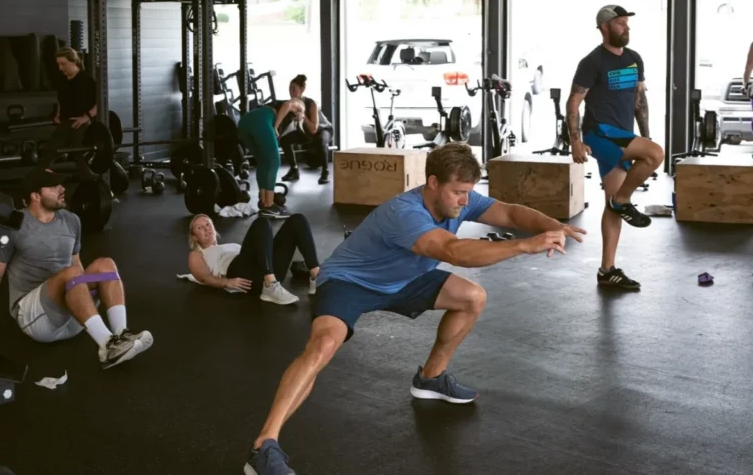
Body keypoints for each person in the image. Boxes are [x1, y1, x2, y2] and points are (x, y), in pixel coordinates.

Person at [243, 143, 587, 475]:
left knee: (472, 297)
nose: (465, 200)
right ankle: (264, 445)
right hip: (352, 281)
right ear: (432, 183)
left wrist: (550, 225)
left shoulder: (461, 198)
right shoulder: (404, 213)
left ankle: (431, 378)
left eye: (469, 191)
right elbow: (453, 252)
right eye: (458, 192)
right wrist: (524, 245)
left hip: (405, 279)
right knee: (323, 346)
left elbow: (510, 211)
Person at [0, 168, 153, 369]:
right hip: (35, 320)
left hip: (71, 317)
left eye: (60, 184)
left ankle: (120, 335)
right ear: (35, 196)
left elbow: (76, 265)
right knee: (72, 273)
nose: (62, 188)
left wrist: (84, 296)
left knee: (105, 264)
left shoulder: (72, 220)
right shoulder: (13, 226)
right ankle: (106, 346)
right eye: (53, 186)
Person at [566, 5, 665, 291]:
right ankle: (623, 201)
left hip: (624, 134)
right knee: (655, 154)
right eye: (620, 24)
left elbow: (639, 101)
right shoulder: (592, 61)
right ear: (605, 27)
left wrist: (645, 135)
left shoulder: (634, 59)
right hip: (601, 134)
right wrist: (575, 140)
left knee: (613, 204)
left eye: (627, 23)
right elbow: (574, 102)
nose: (626, 27)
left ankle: (607, 270)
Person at [187, 213, 320, 305]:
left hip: (264, 270)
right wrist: (226, 282)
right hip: (240, 273)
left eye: (207, 224)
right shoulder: (197, 254)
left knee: (297, 220)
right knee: (262, 222)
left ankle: (317, 277)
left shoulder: (231, 245)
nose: (206, 228)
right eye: (200, 227)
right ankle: (270, 285)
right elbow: (203, 277)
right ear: (194, 237)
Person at [237, 98, 306, 219]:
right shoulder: (300, 106)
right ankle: (269, 205)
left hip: (245, 122)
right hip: (261, 120)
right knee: (274, 162)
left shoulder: (287, 118)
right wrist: (276, 126)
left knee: (263, 162)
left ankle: (264, 203)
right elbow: (288, 104)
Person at [37, 47, 98, 180]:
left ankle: (95, 183)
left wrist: (86, 117)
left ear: (74, 62)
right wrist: (58, 114)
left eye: (63, 64)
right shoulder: (62, 81)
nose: (60, 68)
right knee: (49, 152)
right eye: (58, 64)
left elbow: (100, 103)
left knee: (78, 154)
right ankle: (42, 185)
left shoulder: (86, 80)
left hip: (81, 123)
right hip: (65, 122)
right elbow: (61, 100)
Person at [279, 75, 333, 185]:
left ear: (302, 89)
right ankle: (294, 170)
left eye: (294, 88)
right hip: (305, 132)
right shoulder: (291, 104)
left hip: (323, 129)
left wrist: (303, 116)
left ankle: (325, 172)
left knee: (321, 140)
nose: (291, 91)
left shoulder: (311, 103)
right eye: (290, 88)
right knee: (284, 140)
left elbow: (314, 129)